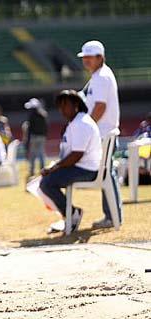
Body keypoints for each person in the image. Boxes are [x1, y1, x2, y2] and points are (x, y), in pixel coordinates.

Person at [40, 90, 102, 233]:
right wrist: (54, 167)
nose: (62, 109)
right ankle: (68, 215)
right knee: (43, 181)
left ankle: (72, 214)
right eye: (60, 106)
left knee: (46, 183)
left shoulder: (81, 123)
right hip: (80, 167)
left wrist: (55, 167)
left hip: (86, 170)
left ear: (76, 104)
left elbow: (76, 155)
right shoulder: (75, 122)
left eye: (65, 105)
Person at [78, 40, 123, 229]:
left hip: (104, 134)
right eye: (84, 57)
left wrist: (87, 129)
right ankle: (112, 215)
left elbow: (100, 107)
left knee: (106, 174)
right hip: (104, 133)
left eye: (90, 57)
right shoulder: (99, 75)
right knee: (107, 173)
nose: (86, 61)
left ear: (100, 58)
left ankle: (113, 216)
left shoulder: (101, 77)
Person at [24, 98, 48, 179]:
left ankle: (32, 172)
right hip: (42, 137)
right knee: (41, 154)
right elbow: (46, 127)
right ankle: (43, 171)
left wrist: (27, 142)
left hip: (34, 137)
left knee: (33, 155)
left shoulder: (32, 115)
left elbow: (30, 129)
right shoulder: (43, 114)